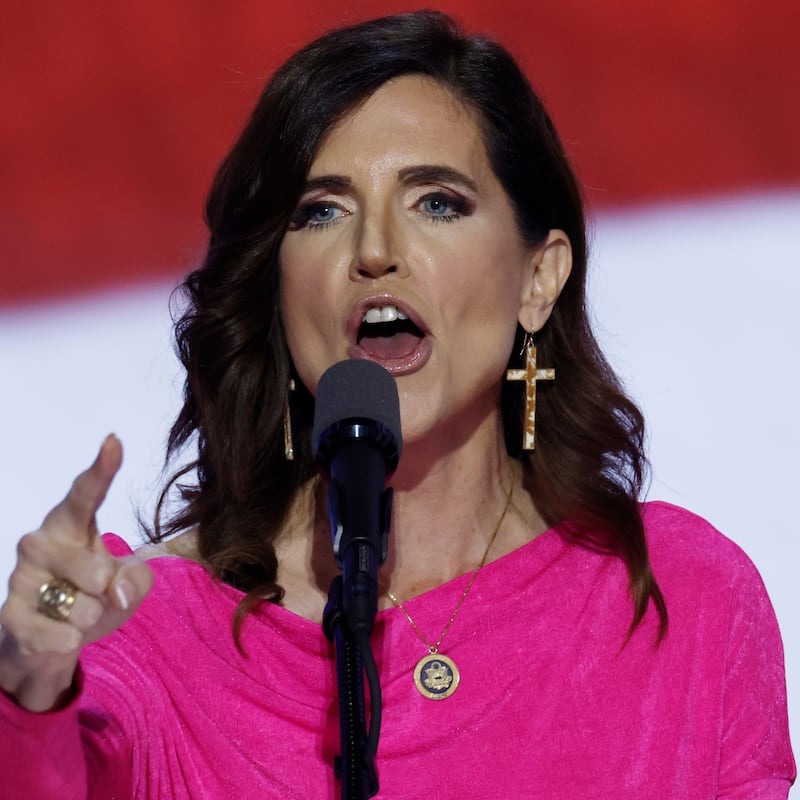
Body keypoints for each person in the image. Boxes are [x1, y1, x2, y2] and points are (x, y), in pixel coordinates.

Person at [0, 10, 794, 798]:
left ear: (538, 278)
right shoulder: (144, 630)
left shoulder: (677, 601)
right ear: (278, 292)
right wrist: (26, 681)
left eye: (437, 202)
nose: (374, 249)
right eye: (322, 211)